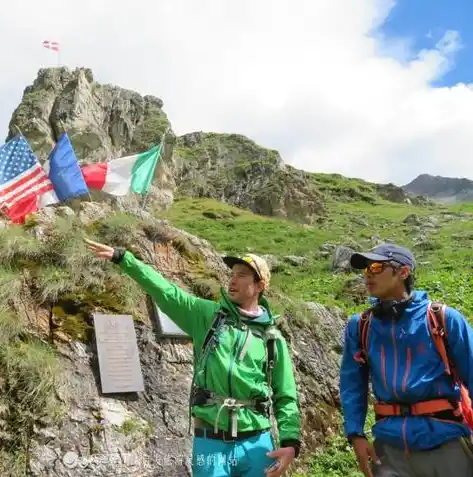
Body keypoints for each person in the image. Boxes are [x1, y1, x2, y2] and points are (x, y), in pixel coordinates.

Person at [84, 238, 301, 477]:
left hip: (257, 444)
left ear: (259, 285)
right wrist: (124, 259)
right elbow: (167, 292)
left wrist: (290, 443)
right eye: (232, 273)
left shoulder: (272, 338)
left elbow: (285, 395)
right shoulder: (207, 315)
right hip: (210, 441)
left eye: (242, 275)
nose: (232, 279)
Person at [339, 243, 473, 477]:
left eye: (377, 266)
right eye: (366, 269)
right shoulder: (360, 326)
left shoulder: (444, 319)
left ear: (403, 272)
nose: (368, 274)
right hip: (389, 450)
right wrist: (356, 434)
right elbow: (352, 385)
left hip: (446, 443)